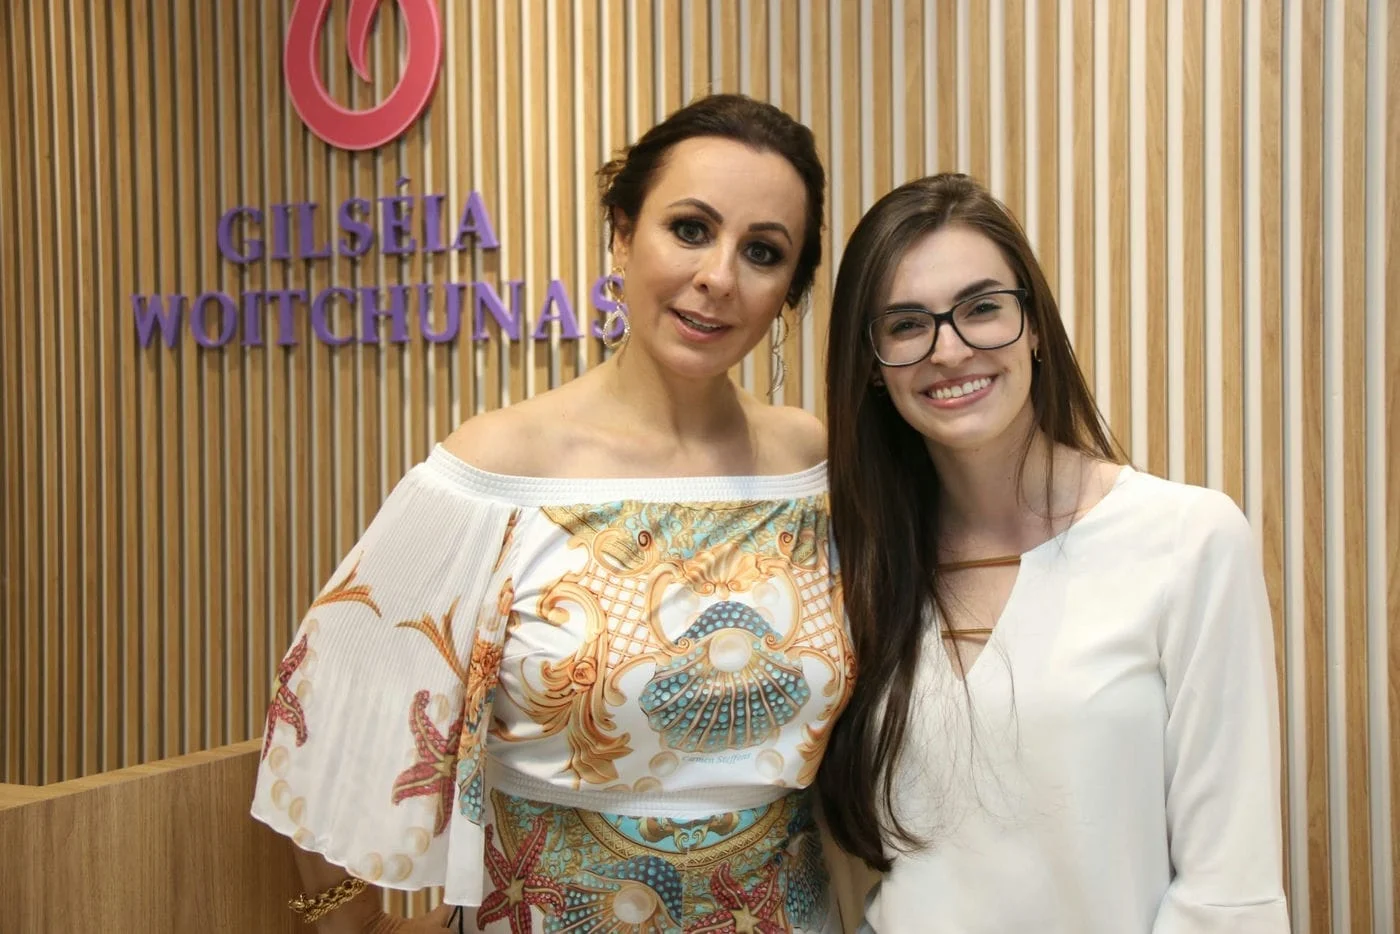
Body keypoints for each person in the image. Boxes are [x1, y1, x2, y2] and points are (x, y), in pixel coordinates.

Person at [251, 93, 853, 934]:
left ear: (790, 289)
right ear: (622, 234)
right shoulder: (496, 470)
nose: (719, 276)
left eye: (762, 251)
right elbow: (323, 702)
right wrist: (354, 926)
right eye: (689, 229)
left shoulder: (814, 467)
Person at [816, 173, 1289, 933]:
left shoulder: (1187, 538)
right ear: (872, 364)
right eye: (906, 325)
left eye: (982, 308)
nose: (950, 349)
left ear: (1035, 327)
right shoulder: (858, 566)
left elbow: (1229, 890)